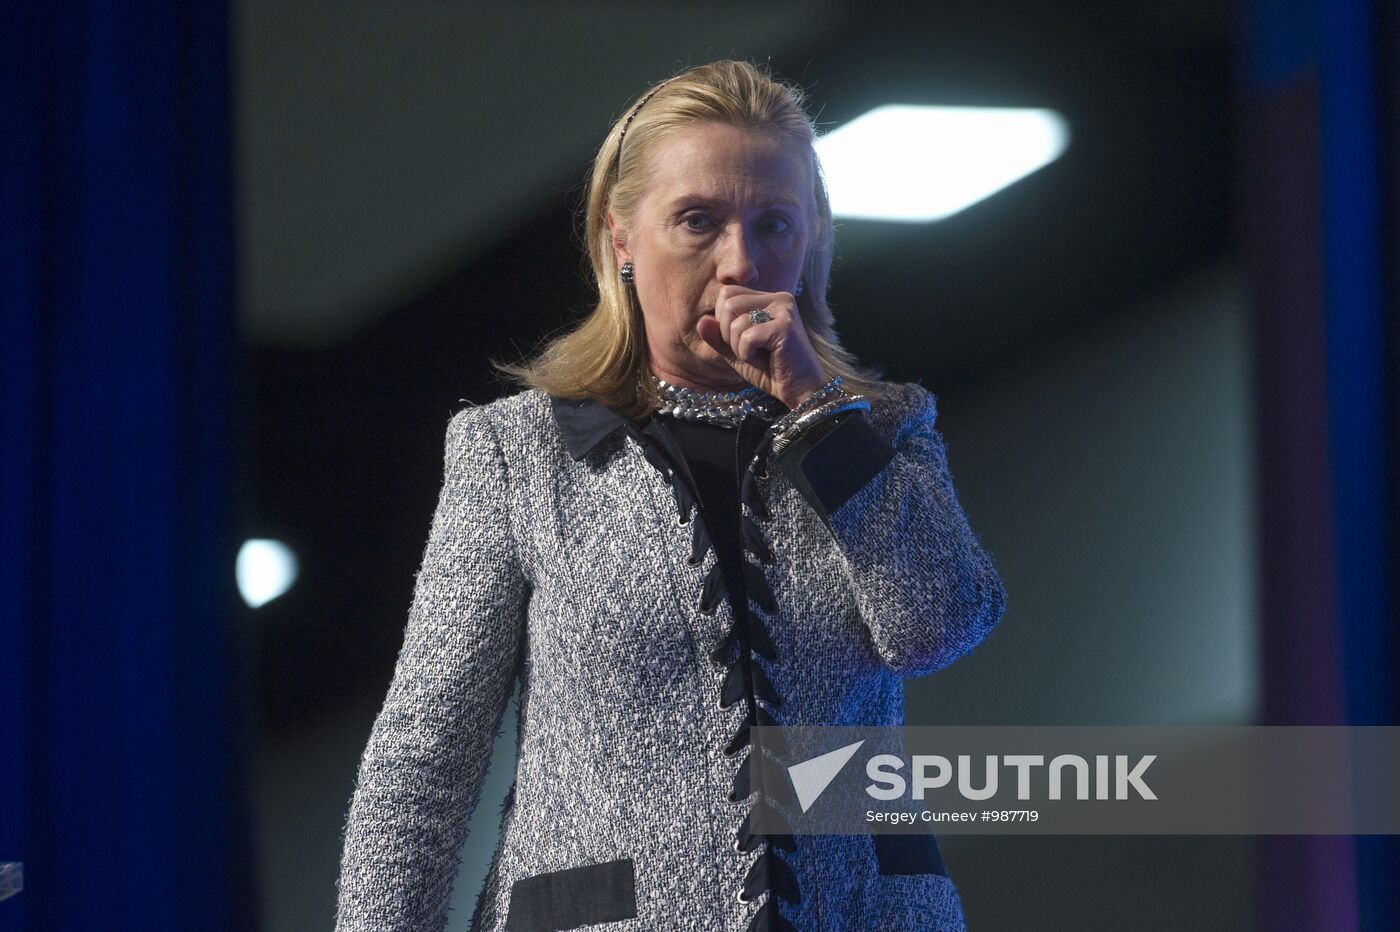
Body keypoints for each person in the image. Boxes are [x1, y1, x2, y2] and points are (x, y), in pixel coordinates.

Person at [334, 59, 1006, 932]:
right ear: (620, 237)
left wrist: (816, 412)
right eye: (697, 221)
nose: (741, 262)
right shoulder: (515, 454)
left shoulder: (882, 429)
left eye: (774, 224)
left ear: (813, 243)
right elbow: (423, 761)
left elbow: (939, 624)